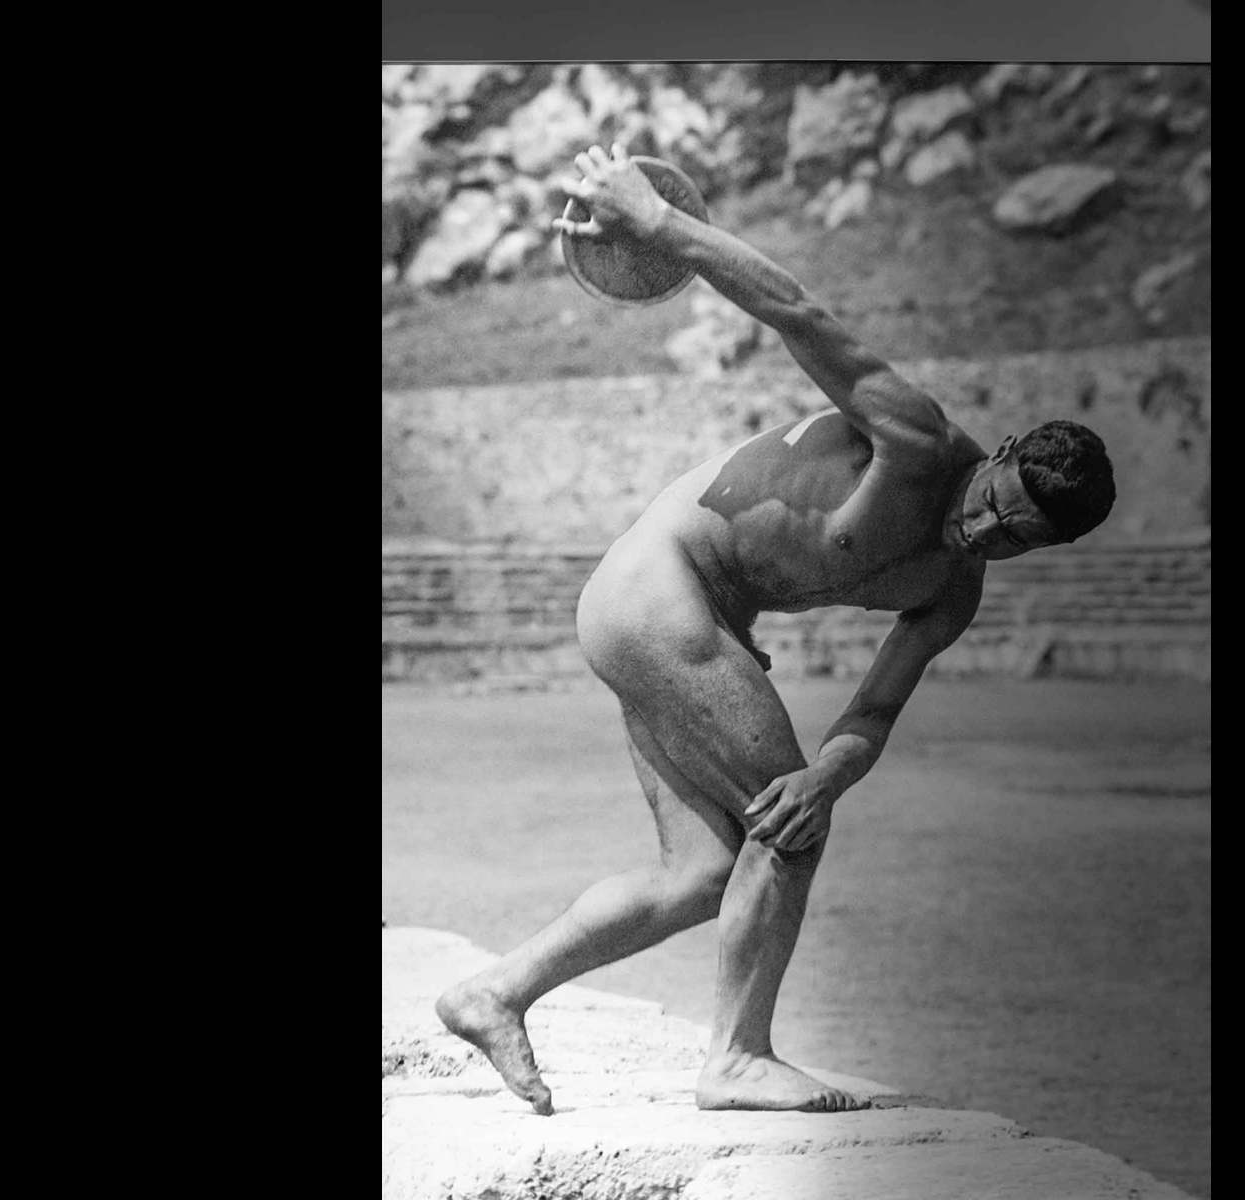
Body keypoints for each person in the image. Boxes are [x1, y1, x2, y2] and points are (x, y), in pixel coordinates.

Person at [436, 142, 1116, 1116]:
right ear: (1000, 454)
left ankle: (495, 993)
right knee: (785, 827)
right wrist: (660, 223)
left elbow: (873, 713)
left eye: (1015, 539)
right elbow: (797, 312)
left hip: (689, 615)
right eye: (993, 504)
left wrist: (826, 774)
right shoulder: (914, 439)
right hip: (659, 589)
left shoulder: (951, 591)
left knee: (704, 873)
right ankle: (737, 1057)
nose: (984, 531)